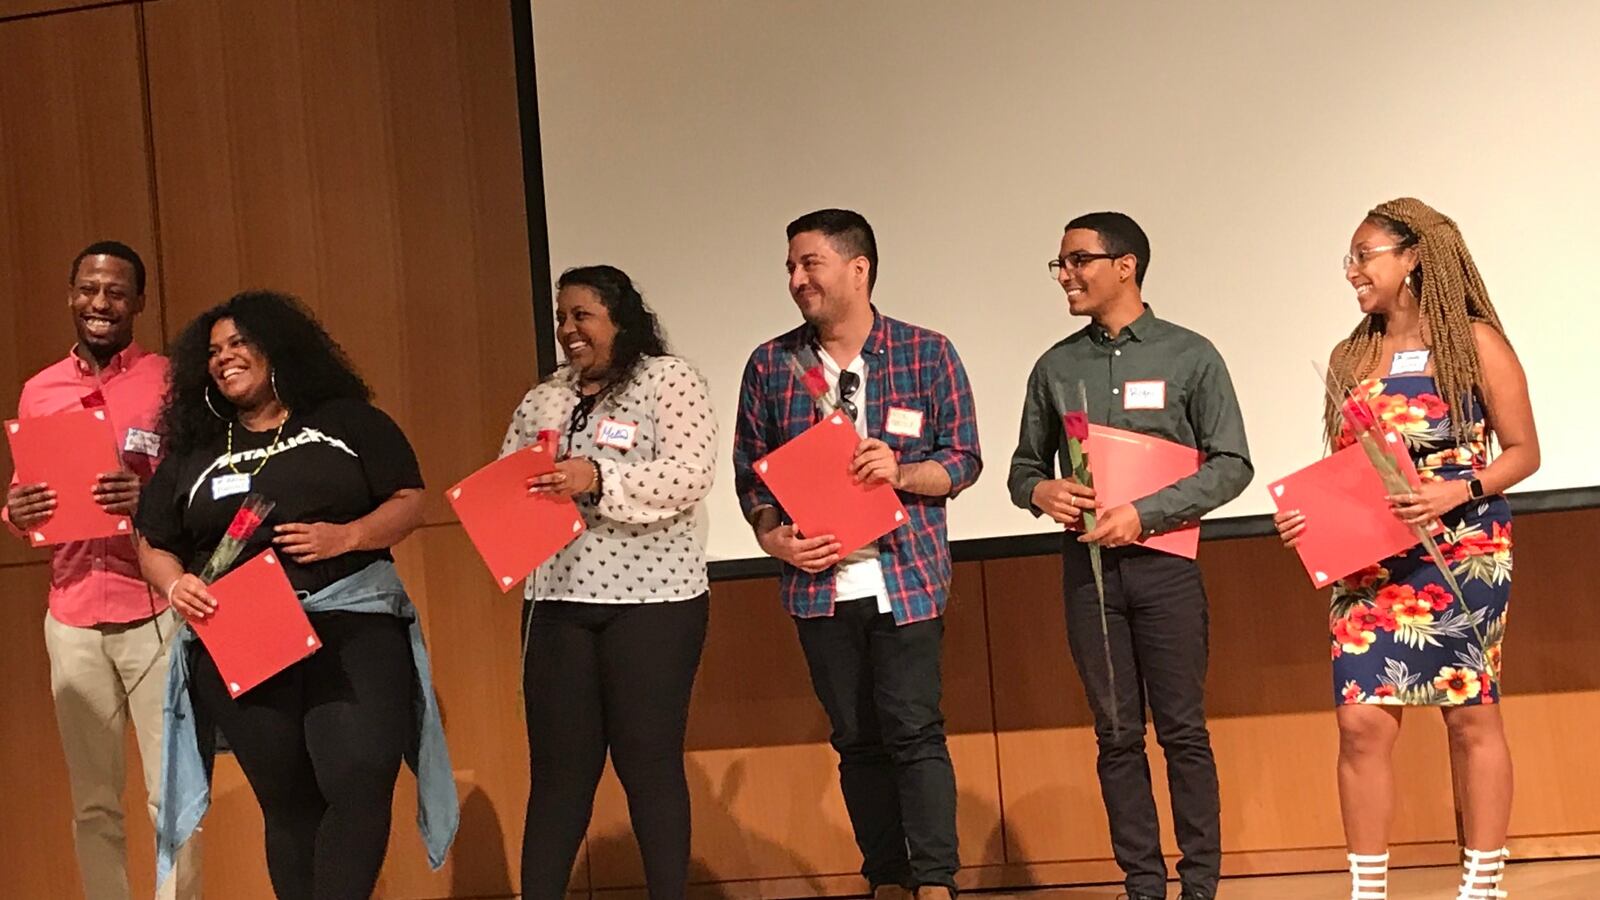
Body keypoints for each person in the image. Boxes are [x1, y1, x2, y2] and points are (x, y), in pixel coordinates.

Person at [134, 290, 457, 899]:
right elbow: (152, 541)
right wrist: (176, 584)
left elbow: (410, 501)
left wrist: (348, 536)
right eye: (214, 351)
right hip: (243, 631)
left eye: (239, 343)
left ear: (277, 347)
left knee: (358, 782)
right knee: (288, 803)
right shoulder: (198, 450)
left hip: (351, 619)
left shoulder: (345, 421)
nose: (225, 358)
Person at [1273, 198, 1537, 900]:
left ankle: (1482, 886)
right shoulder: (1351, 354)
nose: (1353, 271)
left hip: (1462, 549)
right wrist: (1309, 520)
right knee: (1360, 720)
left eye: (1365, 255)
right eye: (1349, 260)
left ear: (1413, 255)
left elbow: (1524, 453)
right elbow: (1342, 468)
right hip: (1370, 561)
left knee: (1470, 713)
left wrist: (1458, 489)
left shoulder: (1473, 343)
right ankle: (1368, 889)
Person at [733, 209, 981, 900]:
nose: (796, 279)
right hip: (818, 584)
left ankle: (935, 881)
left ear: (857, 268)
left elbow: (963, 460)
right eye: (790, 266)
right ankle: (887, 879)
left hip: (906, 579)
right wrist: (769, 536)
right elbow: (750, 472)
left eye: (809, 263)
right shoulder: (771, 364)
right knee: (856, 742)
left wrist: (900, 472)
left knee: (915, 732)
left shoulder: (926, 353)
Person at [1007, 212, 1252, 900]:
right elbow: (1023, 467)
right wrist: (1042, 490)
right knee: (1115, 734)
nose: (1066, 276)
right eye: (1059, 264)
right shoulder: (1056, 367)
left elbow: (1232, 464)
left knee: (1181, 730)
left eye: (1078, 261)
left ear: (1126, 265)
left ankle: (1199, 884)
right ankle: (1142, 885)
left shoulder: (1190, 355)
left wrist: (1146, 512)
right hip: (1089, 573)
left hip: (1166, 567)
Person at [504, 265, 716, 900]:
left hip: (653, 604)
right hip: (556, 601)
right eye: (562, 317)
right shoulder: (544, 397)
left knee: (648, 764)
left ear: (619, 321)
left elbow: (689, 473)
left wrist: (596, 477)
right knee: (558, 777)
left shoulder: (667, 381)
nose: (568, 329)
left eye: (582, 316)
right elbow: (509, 476)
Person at [3, 241, 202, 900]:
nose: (100, 303)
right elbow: (31, 498)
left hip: (152, 609)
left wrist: (147, 497)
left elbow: (201, 488)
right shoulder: (40, 390)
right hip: (72, 615)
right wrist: (16, 510)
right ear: (71, 295)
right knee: (93, 804)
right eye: (89, 289)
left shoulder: (170, 382)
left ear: (138, 302)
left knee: (171, 797)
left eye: (116, 292)